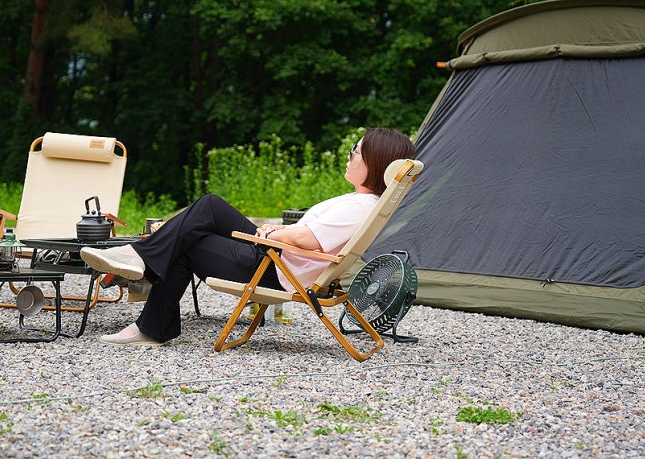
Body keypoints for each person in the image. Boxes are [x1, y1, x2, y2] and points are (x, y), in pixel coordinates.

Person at [80, 127, 415, 346]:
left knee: (193, 234)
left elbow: (308, 241)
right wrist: (279, 232)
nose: (349, 154)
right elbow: (308, 238)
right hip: (275, 257)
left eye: (355, 151)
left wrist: (278, 232)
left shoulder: (358, 207)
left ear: (373, 162)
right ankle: (146, 285)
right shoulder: (363, 203)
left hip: (274, 268)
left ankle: (145, 286)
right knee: (206, 212)